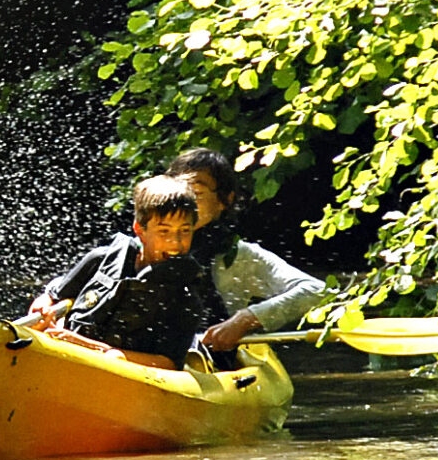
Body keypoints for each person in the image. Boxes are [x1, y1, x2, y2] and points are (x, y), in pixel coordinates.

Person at [24, 174, 224, 370]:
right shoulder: (100, 260)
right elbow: (52, 297)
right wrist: (42, 308)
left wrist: (94, 349)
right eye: (164, 231)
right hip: (65, 365)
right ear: (139, 229)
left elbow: (169, 363)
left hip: (127, 382)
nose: (176, 242)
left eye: (185, 231)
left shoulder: (186, 297)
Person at [167, 145, 328, 356]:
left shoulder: (238, 257)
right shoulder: (145, 246)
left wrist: (245, 319)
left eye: (197, 193)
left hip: (216, 360)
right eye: (180, 192)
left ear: (225, 200)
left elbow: (317, 291)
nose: (186, 202)